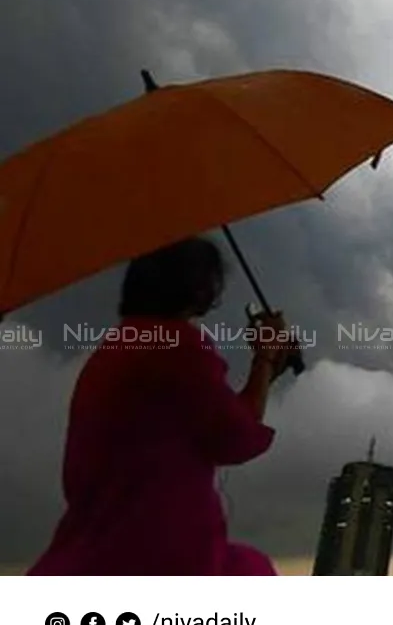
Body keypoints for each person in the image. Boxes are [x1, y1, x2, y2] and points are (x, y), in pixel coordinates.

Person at [27, 237, 295, 575]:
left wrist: (266, 369)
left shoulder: (118, 346)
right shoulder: (178, 346)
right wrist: (265, 358)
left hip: (94, 543)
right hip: (161, 544)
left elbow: (208, 417)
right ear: (197, 288)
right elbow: (235, 435)